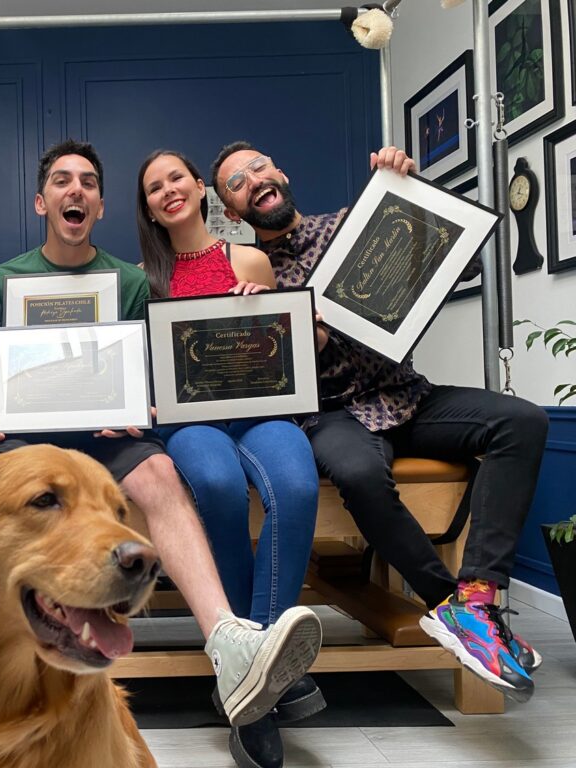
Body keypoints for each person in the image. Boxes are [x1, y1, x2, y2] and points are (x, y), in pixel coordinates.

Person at [0, 139, 323, 732]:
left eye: (88, 183)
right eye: (61, 181)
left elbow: (142, 368)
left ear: (101, 206)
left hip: (115, 432)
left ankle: (233, 644)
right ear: (41, 201)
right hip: (32, 438)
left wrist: (135, 403)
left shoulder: (129, 281)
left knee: (163, 472)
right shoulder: (4, 280)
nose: (75, 191)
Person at [211, 141, 549, 702]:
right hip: (331, 415)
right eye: (235, 182)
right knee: (359, 474)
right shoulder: (250, 274)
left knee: (524, 420)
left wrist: (412, 191)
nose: (252, 179)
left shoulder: (358, 223)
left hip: (406, 395)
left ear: (280, 172)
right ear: (231, 209)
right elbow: (258, 374)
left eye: (258, 166)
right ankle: (450, 606)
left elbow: (462, 262)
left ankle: (478, 599)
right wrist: (280, 326)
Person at [136, 149, 322, 767]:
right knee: (215, 484)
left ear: (199, 188)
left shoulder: (250, 259)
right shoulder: (142, 278)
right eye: (154, 188)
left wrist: (265, 308)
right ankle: (264, 680)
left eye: (177, 179)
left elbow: (285, 348)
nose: (168, 191)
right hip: (190, 420)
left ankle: (252, 670)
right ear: (150, 209)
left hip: (261, 409)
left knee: (296, 486)